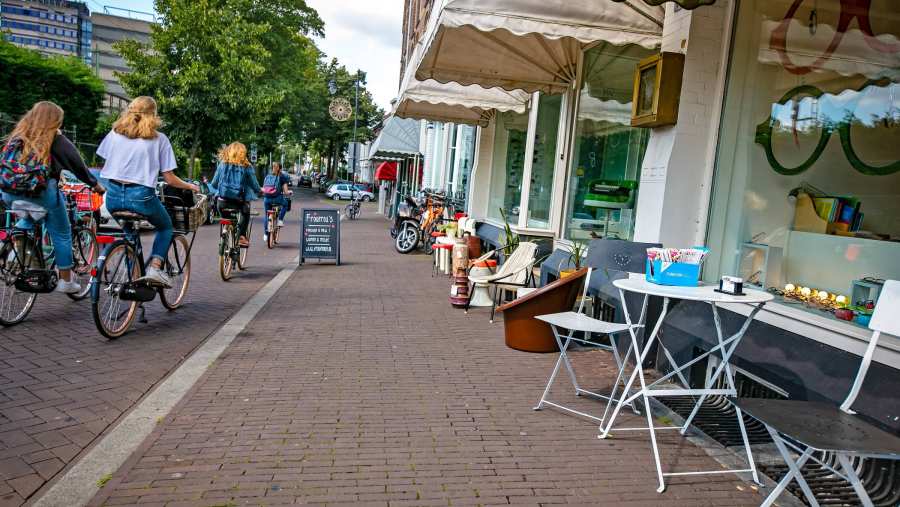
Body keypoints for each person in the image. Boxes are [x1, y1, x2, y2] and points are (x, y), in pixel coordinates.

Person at [1, 101, 106, 294]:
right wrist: (96, 185)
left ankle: (13, 249)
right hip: (40, 193)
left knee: (29, 215)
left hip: (9, 193)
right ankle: (66, 281)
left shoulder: (17, 136)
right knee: (62, 233)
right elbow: (78, 166)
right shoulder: (56, 139)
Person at [96, 96, 198, 288]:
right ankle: (155, 269)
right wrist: (190, 186)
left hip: (113, 197)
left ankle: (132, 274)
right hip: (141, 197)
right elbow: (169, 178)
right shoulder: (159, 139)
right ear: (153, 114)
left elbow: (105, 158)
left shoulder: (114, 133)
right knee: (166, 227)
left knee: (130, 236)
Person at [209, 142, 260, 247]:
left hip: (222, 203)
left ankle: (225, 236)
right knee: (246, 212)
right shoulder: (247, 166)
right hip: (239, 203)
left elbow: (214, 184)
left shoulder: (222, 165)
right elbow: (255, 186)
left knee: (227, 220)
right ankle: (241, 236)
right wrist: (260, 190)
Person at [261, 162, 292, 242]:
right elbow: (285, 192)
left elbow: (264, 188)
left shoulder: (267, 176)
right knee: (285, 204)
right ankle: (280, 220)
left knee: (266, 215)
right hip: (277, 198)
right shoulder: (282, 176)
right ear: (280, 169)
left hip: (267, 198)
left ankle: (265, 234)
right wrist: (289, 192)